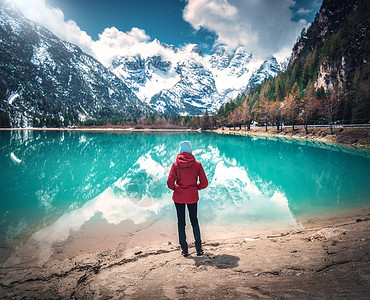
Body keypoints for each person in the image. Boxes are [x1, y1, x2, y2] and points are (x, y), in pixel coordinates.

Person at [167, 141, 208, 257]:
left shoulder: (175, 165)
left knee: (181, 223)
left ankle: (184, 249)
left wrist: (177, 188)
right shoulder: (197, 165)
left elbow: (169, 183)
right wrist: (195, 188)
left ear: (180, 151)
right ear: (190, 151)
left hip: (179, 197)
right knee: (194, 220)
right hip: (192, 196)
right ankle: (199, 248)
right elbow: (204, 183)